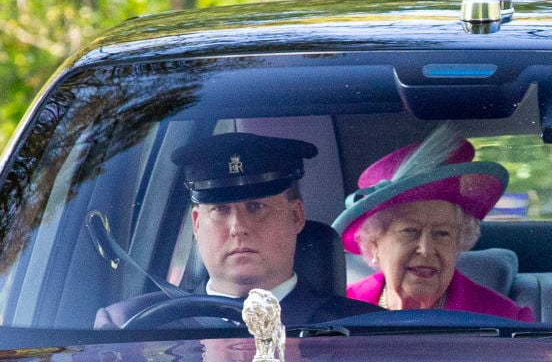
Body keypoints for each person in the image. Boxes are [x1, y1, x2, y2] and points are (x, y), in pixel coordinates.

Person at [95, 132, 380, 328]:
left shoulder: (365, 331)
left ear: (295, 216)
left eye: (256, 207)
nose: (238, 227)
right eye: (220, 210)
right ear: (196, 224)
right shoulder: (129, 325)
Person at [334, 126, 534, 321]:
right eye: (410, 231)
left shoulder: (505, 319)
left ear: (458, 243)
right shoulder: (337, 310)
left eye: (442, 233)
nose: (426, 250)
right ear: (374, 244)